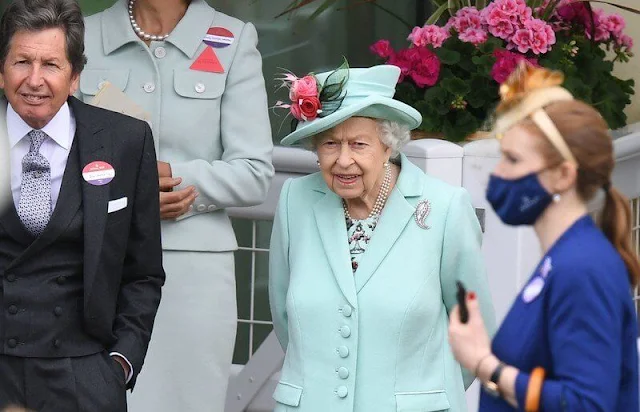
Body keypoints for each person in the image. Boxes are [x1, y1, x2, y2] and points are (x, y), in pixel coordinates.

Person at [79, 0, 274, 410]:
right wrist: (128, 189)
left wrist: (175, 180)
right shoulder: (81, 33)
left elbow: (254, 171)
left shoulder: (233, 39)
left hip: (193, 279)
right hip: (90, 265)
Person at [268, 62, 496, 412]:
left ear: (389, 145)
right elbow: (285, 319)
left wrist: (423, 398)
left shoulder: (445, 208)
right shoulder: (295, 201)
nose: (343, 161)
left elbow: (474, 332)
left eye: (359, 144)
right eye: (330, 144)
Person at [0, 0, 165, 411]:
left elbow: (142, 272)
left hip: (82, 376)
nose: (34, 80)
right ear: (1, 71)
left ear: (75, 77)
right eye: (21, 62)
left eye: (51, 65)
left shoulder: (126, 140)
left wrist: (119, 365)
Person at [448, 63, 640, 411]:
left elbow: (586, 404)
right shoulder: (563, 258)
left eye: (513, 160)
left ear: (563, 175)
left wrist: (482, 362)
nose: (499, 173)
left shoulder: (582, 267)